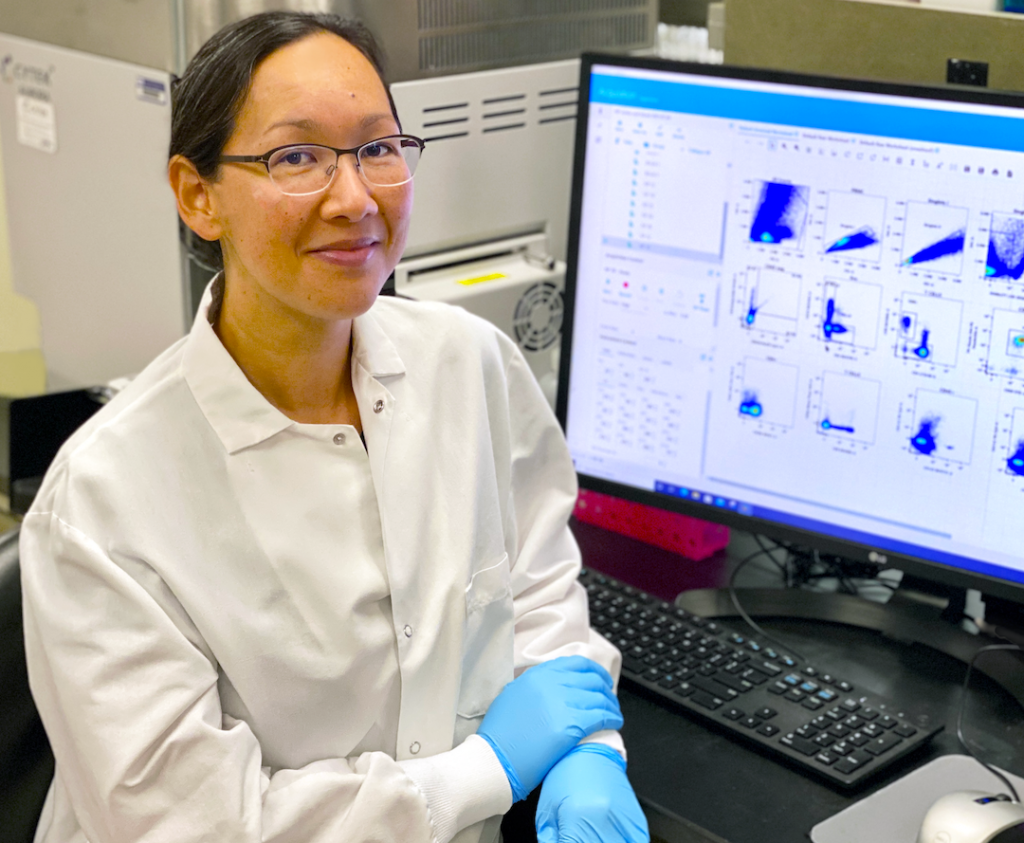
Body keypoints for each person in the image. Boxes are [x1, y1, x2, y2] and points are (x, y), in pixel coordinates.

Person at [19, 11, 649, 843]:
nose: (354, 199)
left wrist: (588, 750)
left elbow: (532, 588)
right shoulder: (103, 501)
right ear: (197, 194)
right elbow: (192, 823)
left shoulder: (470, 365)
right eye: (297, 157)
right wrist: (482, 773)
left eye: (379, 149)